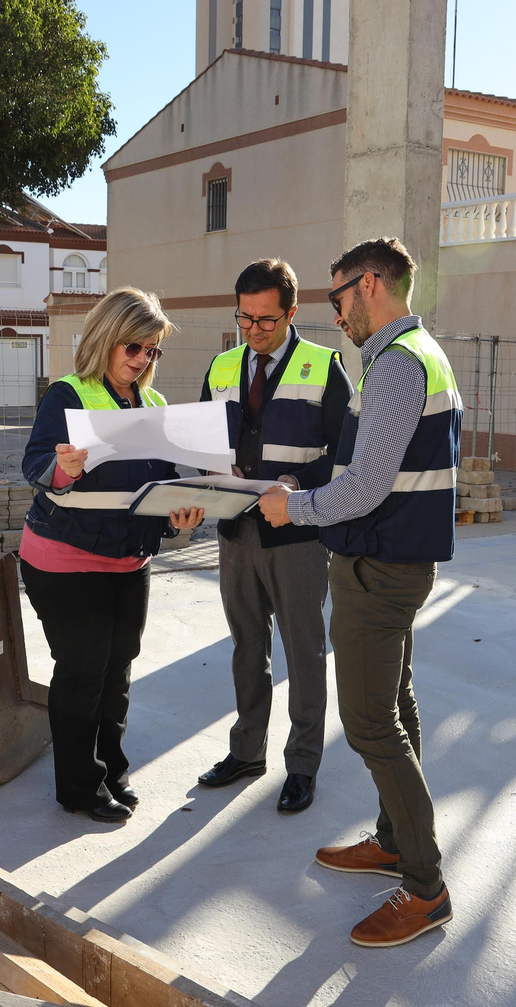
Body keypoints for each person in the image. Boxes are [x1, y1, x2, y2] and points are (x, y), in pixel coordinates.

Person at [257, 237, 463, 947]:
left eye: (336, 296)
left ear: (369, 284)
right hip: (390, 561)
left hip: (380, 569)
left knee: (372, 723)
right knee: (395, 706)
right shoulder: (409, 357)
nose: (335, 312)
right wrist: (307, 488)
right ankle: (394, 841)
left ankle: (425, 887)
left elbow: (368, 487)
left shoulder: (401, 365)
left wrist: (297, 509)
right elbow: (369, 469)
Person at [20, 287, 205, 824]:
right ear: (105, 339)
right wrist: (66, 468)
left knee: (118, 668)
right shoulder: (67, 395)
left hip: (130, 562)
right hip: (65, 558)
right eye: (133, 347)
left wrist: (181, 513)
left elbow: (164, 484)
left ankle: (110, 771)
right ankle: (78, 787)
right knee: (83, 671)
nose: (142, 359)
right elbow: (35, 465)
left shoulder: (155, 406)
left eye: (152, 350)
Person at [196, 259, 353, 813]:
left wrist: (296, 481)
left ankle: (303, 765)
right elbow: (201, 444)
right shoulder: (220, 368)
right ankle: (247, 752)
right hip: (236, 534)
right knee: (247, 648)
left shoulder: (324, 367)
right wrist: (213, 475)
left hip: (299, 538)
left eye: (266, 319)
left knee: (305, 651)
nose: (255, 329)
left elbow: (347, 454)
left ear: (291, 312)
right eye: (245, 318)